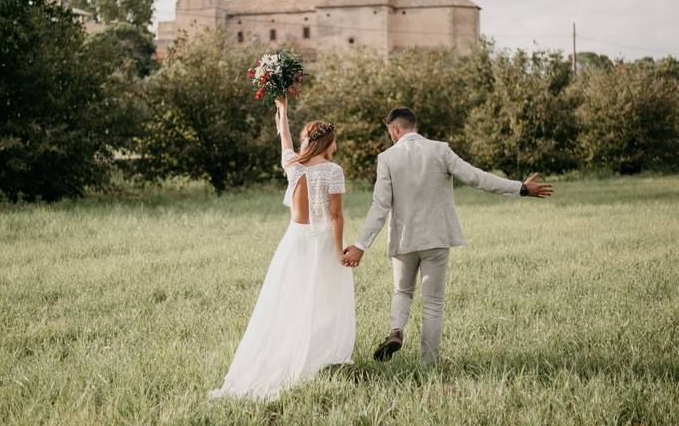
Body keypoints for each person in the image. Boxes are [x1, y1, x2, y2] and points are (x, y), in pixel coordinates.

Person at [342, 107, 553, 365]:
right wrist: (519, 188)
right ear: (414, 126)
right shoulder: (440, 150)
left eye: (390, 132)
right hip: (436, 238)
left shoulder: (387, 158)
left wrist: (361, 245)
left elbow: (380, 206)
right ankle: (427, 364)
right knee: (432, 304)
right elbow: (477, 178)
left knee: (402, 291)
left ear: (395, 129)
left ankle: (396, 330)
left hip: (403, 240)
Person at [210, 96, 354, 400]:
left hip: (295, 240)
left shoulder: (293, 165)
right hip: (323, 243)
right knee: (325, 300)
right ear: (329, 143)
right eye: (335, 142)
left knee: (291, 299)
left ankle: (296, 348)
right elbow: (336, 216)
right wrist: (340, 250)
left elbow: (285, 138)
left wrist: (282, 110)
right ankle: (319, 353)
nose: (336, 147)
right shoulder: (333, 171)